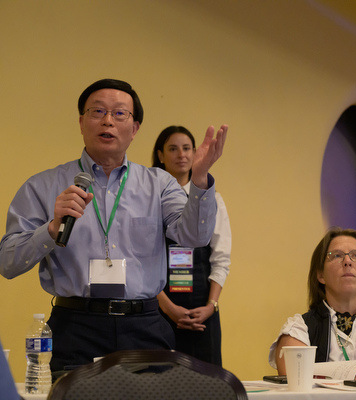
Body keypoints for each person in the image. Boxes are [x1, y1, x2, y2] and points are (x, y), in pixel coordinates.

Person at [0, 79, 227, 377]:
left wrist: (199, 179)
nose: (108, 120)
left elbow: (194, 236)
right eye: (98, 111)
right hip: (75, 326)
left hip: (145, 326)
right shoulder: (42, 186)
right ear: (81, 122)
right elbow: (7, 262)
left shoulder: (159, 184)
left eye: (120, 113)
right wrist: (52, 229)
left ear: (134, 129)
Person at [268, 228, 356, 379]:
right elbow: (298, 384)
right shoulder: (298, 330)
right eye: (336, 255)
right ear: (321, 275)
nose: (347, 261)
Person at [151, 125, 231, 366]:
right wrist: (168, 308)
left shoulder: (212, 199)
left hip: (202, 314)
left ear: (195, 153)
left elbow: (221, 259)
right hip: (159, 311)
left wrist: (211, 306)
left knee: (207, 381)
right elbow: (141, 263)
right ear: (160, 155)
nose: (181, 155)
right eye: (173, 149)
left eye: (187, 148)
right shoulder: (150, 200)